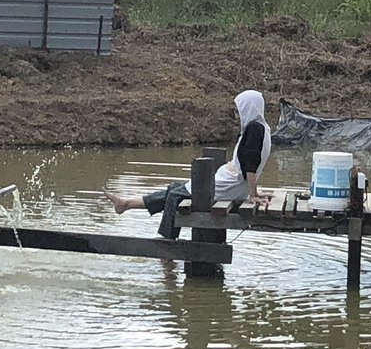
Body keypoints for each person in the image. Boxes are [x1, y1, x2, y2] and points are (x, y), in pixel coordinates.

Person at [104, 90, 272, 239]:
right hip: (231, 182)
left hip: (228, 185)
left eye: (238, 111)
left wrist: (252, 194)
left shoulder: (254, 130)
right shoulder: (261, 128)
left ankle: (167, 243)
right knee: (174, 188)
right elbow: (253, 163)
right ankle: (126, 204)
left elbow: (251, 164)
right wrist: (253, 190)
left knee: (175, 196)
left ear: (248, 109)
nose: (236, 116)